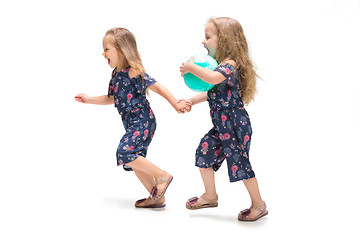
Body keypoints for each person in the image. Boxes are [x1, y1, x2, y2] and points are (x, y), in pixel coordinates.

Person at [75, 28, 190, 208]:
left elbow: (157, 87)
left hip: (143, 120)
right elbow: (112, 98)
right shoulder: (115, 74)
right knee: (133, 159)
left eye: (106, 49)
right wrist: (89, 100)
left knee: (125, 152)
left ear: (121, 50)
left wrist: (175, 103)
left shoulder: (134, 71)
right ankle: (156, 196)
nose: (103, 53)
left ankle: (162, 176)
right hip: (132, 124)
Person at [180, 17, 267, 221]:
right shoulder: (219, 66)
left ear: (225, 40)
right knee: (204, 152)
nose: (203, 41)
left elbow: (211, 79)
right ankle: (210, 196)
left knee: (240, 164)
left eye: (208, 37)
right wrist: (191, 101)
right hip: (221, 126)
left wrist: (191, 67)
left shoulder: (230, 65)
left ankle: (259, 204)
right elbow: (211, 91)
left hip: (235, 125)